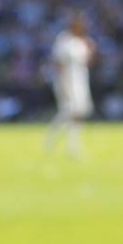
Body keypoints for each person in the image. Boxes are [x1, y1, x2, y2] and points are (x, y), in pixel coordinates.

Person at [45, 16, 95, 158]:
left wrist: (91, 50)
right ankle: (52, 138)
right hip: (67, 81)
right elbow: (58, 63)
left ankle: (72, 144)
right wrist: (63, 84)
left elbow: (87, 63)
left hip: (81, 80)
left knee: (79, 113)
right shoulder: (64, 40)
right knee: (69, 111)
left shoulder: (82, 42)